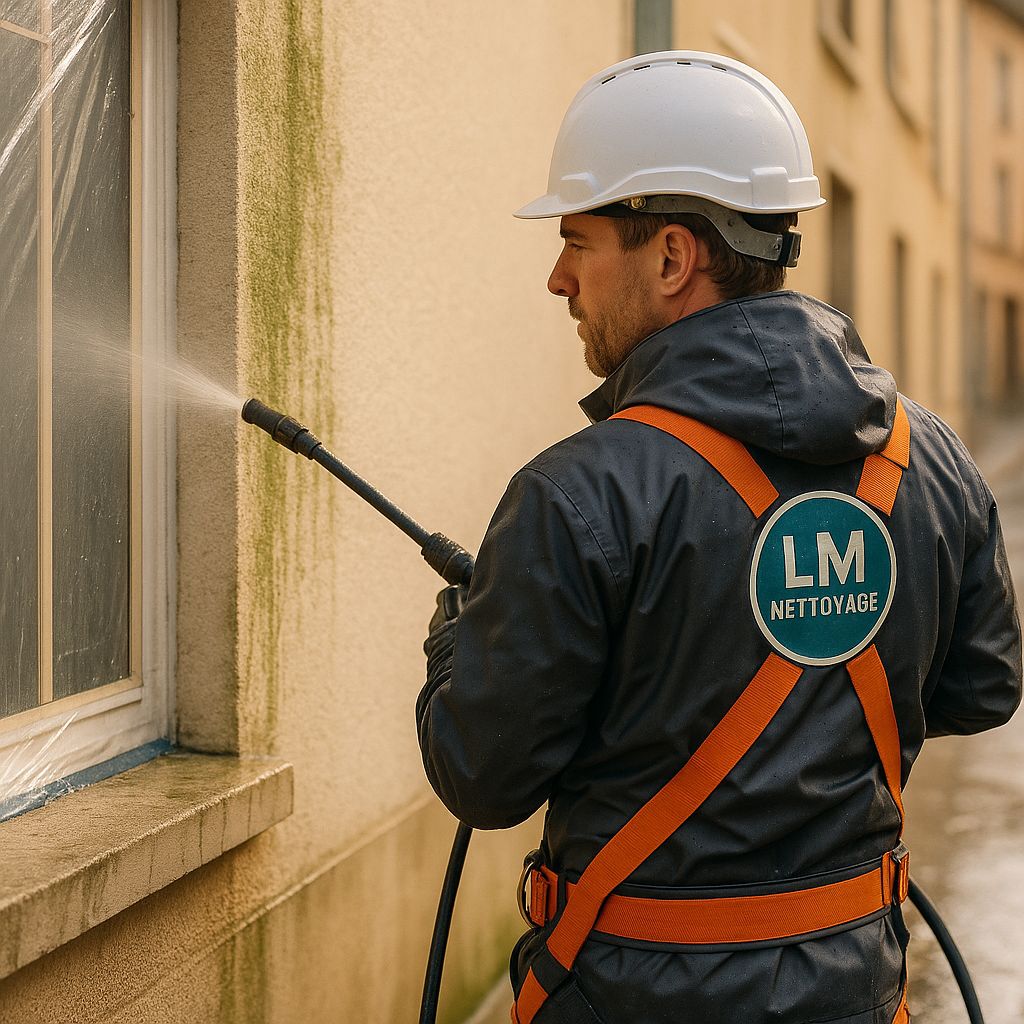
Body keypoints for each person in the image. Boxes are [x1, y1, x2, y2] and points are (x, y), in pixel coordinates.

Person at [416, 51, 1022, 1024]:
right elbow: (982, 683)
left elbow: (483, 773)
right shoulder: (929, 459)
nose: (557, 277)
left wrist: (460, 638)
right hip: (852, 993)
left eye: (578, 240)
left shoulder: (575, 497)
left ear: (668, 257)